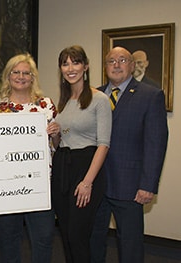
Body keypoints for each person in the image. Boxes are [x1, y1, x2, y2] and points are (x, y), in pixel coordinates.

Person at [90, 46, 168, 263]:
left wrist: (148, 184)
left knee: (130, 245)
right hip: (95, 184)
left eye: (122, 60)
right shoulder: (93, 95)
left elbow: (156, 143)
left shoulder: (150, 95)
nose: (116, 65)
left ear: (132, 66)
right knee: (93, 241)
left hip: (131, 186)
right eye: (111, 61)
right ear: (105, 67)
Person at [0, 53, 58, 263]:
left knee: (44, 237)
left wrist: (55, 134)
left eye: (26, 73)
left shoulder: (45, 105)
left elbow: (56, 146)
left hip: (40, 183)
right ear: (8, 76)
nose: (21, 76)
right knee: (9, 239)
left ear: (33, 77)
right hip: (7, 185)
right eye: (16, 72)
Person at [51, 45, 112, 263]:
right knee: (66, 234)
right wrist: (55, 134)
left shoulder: (100, 99)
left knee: (78, 236)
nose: (70, 68)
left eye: (75, 62)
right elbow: (61, 143)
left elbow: (103, 144)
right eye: (65, 63)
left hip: (85, 169)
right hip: (62, 169)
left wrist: (87, 182)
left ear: (85, 66)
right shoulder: (64, 102)